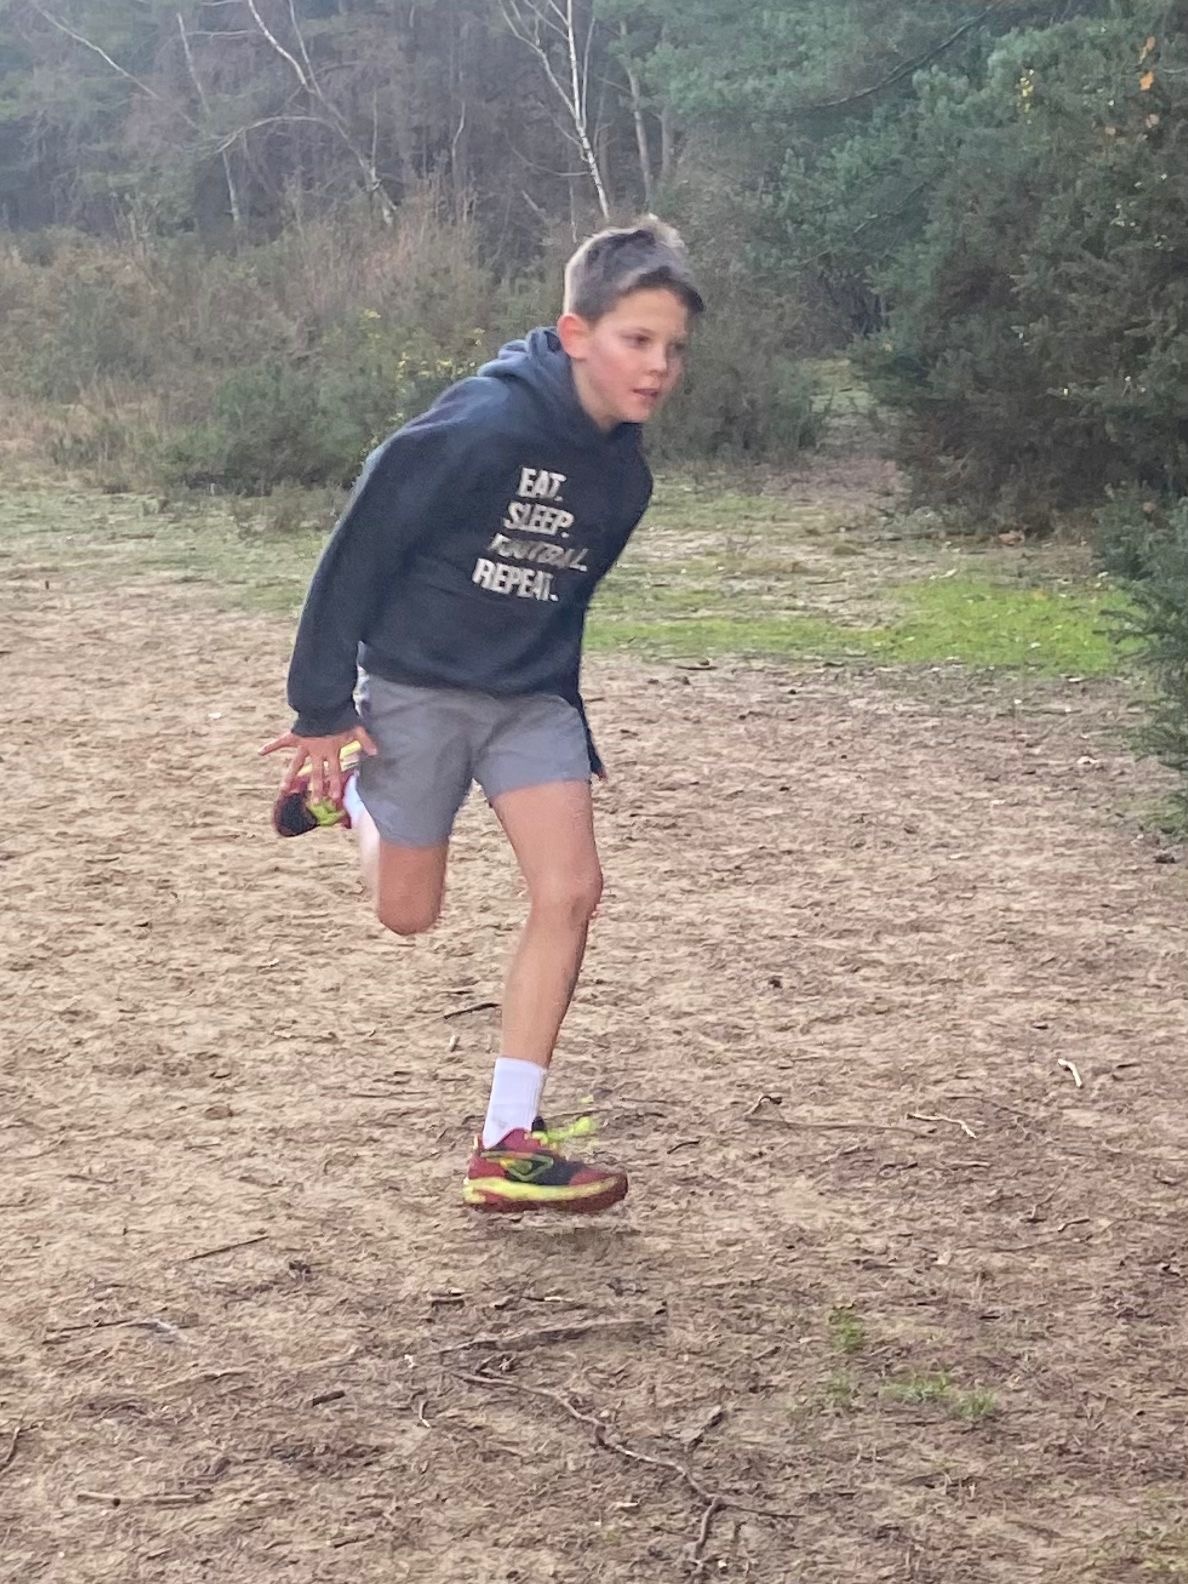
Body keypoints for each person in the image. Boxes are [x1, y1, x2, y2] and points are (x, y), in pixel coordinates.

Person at [262, 217, 703, 1213]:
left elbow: (560, 599)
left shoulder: (625, 477)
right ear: (577, 332)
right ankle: (354, 803)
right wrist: (322, 707)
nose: (659, 366)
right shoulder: (482, 425)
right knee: (408, 914)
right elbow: (360, 546)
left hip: (530, 702)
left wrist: (565, 711)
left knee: (573, 889)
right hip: (417, 686)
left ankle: (508, 1140)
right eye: (638, 339)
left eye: (674, 348)